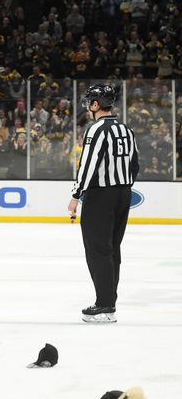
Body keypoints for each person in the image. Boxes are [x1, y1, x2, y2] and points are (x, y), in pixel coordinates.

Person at [68, 84, 139, 324]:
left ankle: (105, 306)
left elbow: (87, 166)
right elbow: (135, 164)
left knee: (98, 250)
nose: (88, 105)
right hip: (124, 194)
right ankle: (109, 301)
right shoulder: (126, 129)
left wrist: (76, 195)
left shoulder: (96, 130)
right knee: (112, 249)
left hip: (101, 197)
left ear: (96, 104)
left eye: (90, 101)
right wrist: (123, 187)